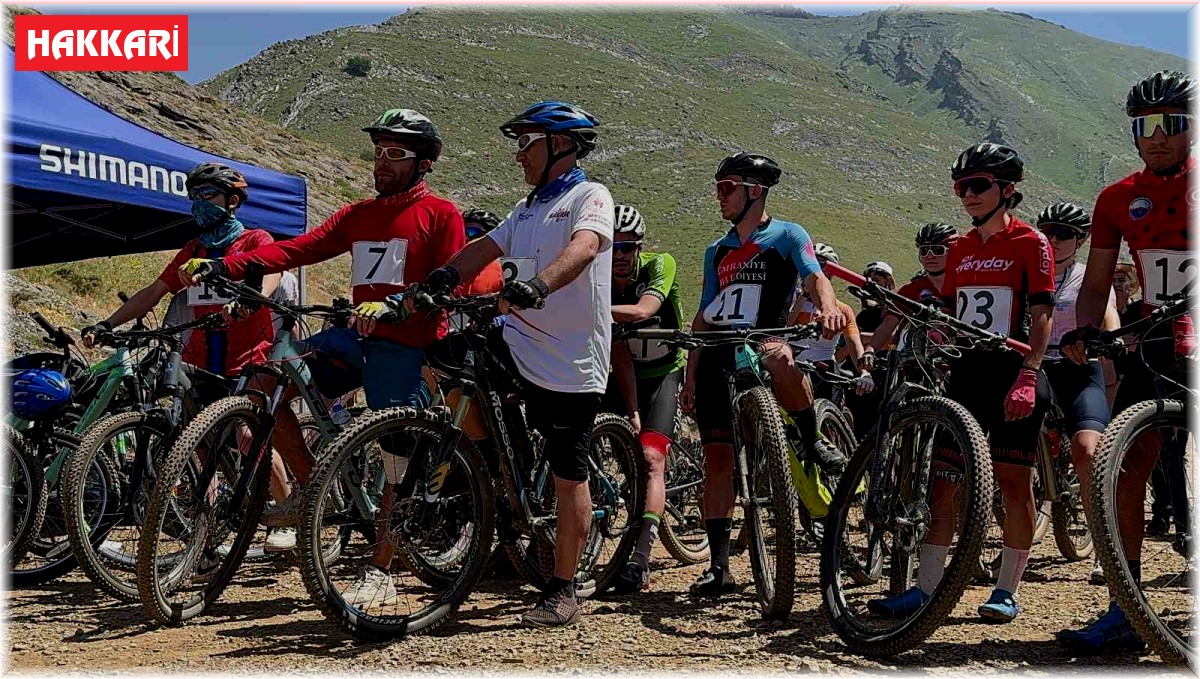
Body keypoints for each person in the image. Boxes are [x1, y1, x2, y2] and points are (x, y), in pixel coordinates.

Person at [177, 108, 468, 606]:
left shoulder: (440, 213)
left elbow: (453, 280)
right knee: (269, 381)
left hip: (405, 342)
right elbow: (297, 250)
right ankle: (312, 490)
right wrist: (226, 263)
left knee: (394, 454)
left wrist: (401, 304)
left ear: (424, 164)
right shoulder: (359, 214)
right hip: (352, 336)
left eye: (395, 154)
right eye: (378, 152)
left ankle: (383, 564)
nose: (382, 162)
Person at [411, 101, 613, 627]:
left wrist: (539, 285)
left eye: (528, 142)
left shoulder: (589, 196)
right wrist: (442, 278)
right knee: (443, 358)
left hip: (570, 357)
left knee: (569, 474)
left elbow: (585, 248)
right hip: (517, 338)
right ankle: (496, 463)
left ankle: (563, 587)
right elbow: (483, 248)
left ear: (561, 145)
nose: (519, 153)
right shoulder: (525, 208)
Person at [869, 142, 1055, 624]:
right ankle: (926, 587)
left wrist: (1030, 374)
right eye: (961, 187)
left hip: (1013, 371)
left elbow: (1042, 316)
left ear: (1007, 189)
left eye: (978, 185)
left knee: (1014, 482)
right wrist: (934, 333)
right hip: (967, 375)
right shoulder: (962, 249)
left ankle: (1006, 588)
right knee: (942, 482)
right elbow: (952, 312)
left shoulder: (1031, 242)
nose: (967, 195)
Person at [80, 161, 299, 554]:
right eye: (193, 196)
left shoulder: (253, 239)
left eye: (207, 195)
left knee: (247, 434)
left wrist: (250, 300)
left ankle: (284, 511)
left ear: (232, 201)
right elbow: (155, 290)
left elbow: (271, 274)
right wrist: (107, 323)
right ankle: (208, 527)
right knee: (199, 444)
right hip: (202, 358)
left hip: (251, 356)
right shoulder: (193, 250)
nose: (198, 203)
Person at [1058, 70, 1195, 654]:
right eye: (1146, 126)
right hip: (1155, 339)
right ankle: (1124, 605)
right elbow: (1094, 283)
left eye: (1172, 124)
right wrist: (1087, 330)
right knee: (1127, 466)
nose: (1158, 136)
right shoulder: (1116, 199)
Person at [679, 151, 846, 598]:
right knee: (718, 460)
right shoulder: (717, 250)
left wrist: (828, 307)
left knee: (779, 359)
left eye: (726, 188)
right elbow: (703, 316)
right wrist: (690, 377)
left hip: (766, 337)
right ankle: (719, 567)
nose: (719, 197)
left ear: (754, 190)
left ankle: (811, 437)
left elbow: (814, 277)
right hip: (718, 350)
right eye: (717, 188)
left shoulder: (788, 234)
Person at [601, 203, 687, 594]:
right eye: (612, 247)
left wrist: (587, 308)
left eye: (628, 247)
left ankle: (640, 556)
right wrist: (632, 408)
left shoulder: (660, 264)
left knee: (652, 459)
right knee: (625, 456)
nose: (620, 255)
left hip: (665, 372)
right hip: (627, 373)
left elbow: (642, 311)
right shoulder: (599, 274)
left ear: (640, 247)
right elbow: (618, 347)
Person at [1034, 202, 1120, 586]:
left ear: (1081, 240)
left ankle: (1106, 549)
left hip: (1078, 370)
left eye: (1063, 233)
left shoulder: (1088, 278)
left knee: (1088, 451)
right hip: (1033, 368)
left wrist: (1108, 344)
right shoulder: (1026, 274)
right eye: (1047, 231)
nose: (1053, 239)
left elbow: (1108, 315)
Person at [789, 243, 875, 399]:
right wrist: (804, 297)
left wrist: (864, 373)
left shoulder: (842, 309)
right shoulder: (789, 300)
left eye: (822, 271)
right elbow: (786, 325)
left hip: (822, 368)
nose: (815, 275)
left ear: (830, 276)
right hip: (788, 364)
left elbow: (854, 343)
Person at [856, 261, 895, 343]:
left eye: (875, 280)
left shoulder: (895, 309)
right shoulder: (864, 315)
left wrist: (859, 338)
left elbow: (893, 338)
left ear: (887, 281)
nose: (870, 285)